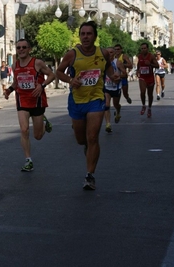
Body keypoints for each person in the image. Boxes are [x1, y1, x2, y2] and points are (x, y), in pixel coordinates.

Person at [56, 21, 120, 190]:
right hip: (77, 101)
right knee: (81, 139)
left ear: (95, 36)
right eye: (82, 34)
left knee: (93, 138)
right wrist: (71, 80)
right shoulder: (72, 54)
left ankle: (90, 175)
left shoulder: (103, 53)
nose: (85, 37)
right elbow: (59, 71)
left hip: (96, 99)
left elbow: (107, 68)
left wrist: (113, 76)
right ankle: (87, 147)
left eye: (89, 34)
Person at [3, 39, 55, 172]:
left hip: (37, 100)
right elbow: (16, 82)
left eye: (24, 47)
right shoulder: (15, 66)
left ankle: (43, 120)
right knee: (24, 130)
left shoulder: (37, 63)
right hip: (22, 100)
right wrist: (9, 90)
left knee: (38, 136)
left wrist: (42, 85)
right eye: (18, 47)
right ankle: (28, 160)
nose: (21, 50)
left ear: (29, 49)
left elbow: (51, 75)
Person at [103, 47, 125, 133]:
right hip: (106, 87)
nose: (109, 54)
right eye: (108, 52)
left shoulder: (118, 62)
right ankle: (108, 124)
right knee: (107, 105)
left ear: (114, 53)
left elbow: (125, 73)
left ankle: (118, 112)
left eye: (111, 52)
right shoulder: (103, 63)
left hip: (116, 86)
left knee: (116, 104)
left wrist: (119, 76)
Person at [136, 42, 159, 118]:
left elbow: (157, 66)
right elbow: (139, 64)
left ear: (147, 49)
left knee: (150, 94)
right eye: (142, 48)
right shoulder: (139, 56)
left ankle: (149, 108)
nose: (143, 50)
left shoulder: (151, 56)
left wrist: (150, 64)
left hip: (150, 77)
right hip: (142, 77)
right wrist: (137, 70)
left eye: (144, 48)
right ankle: (143, 105)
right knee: (142, 92)